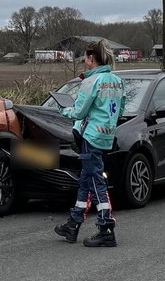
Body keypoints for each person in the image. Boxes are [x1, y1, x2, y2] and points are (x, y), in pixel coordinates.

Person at [54, 39, 126, 247]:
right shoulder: (117, 81)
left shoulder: (90, 82)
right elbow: (120, 111)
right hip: (107, 137)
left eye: (85, 57)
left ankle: (106, 227)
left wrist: (62, 109)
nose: (84, 61)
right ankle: (74, 222)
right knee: (86, 179)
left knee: (95, 182)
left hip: (91, 136)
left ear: (91, 58)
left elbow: (79, 112)